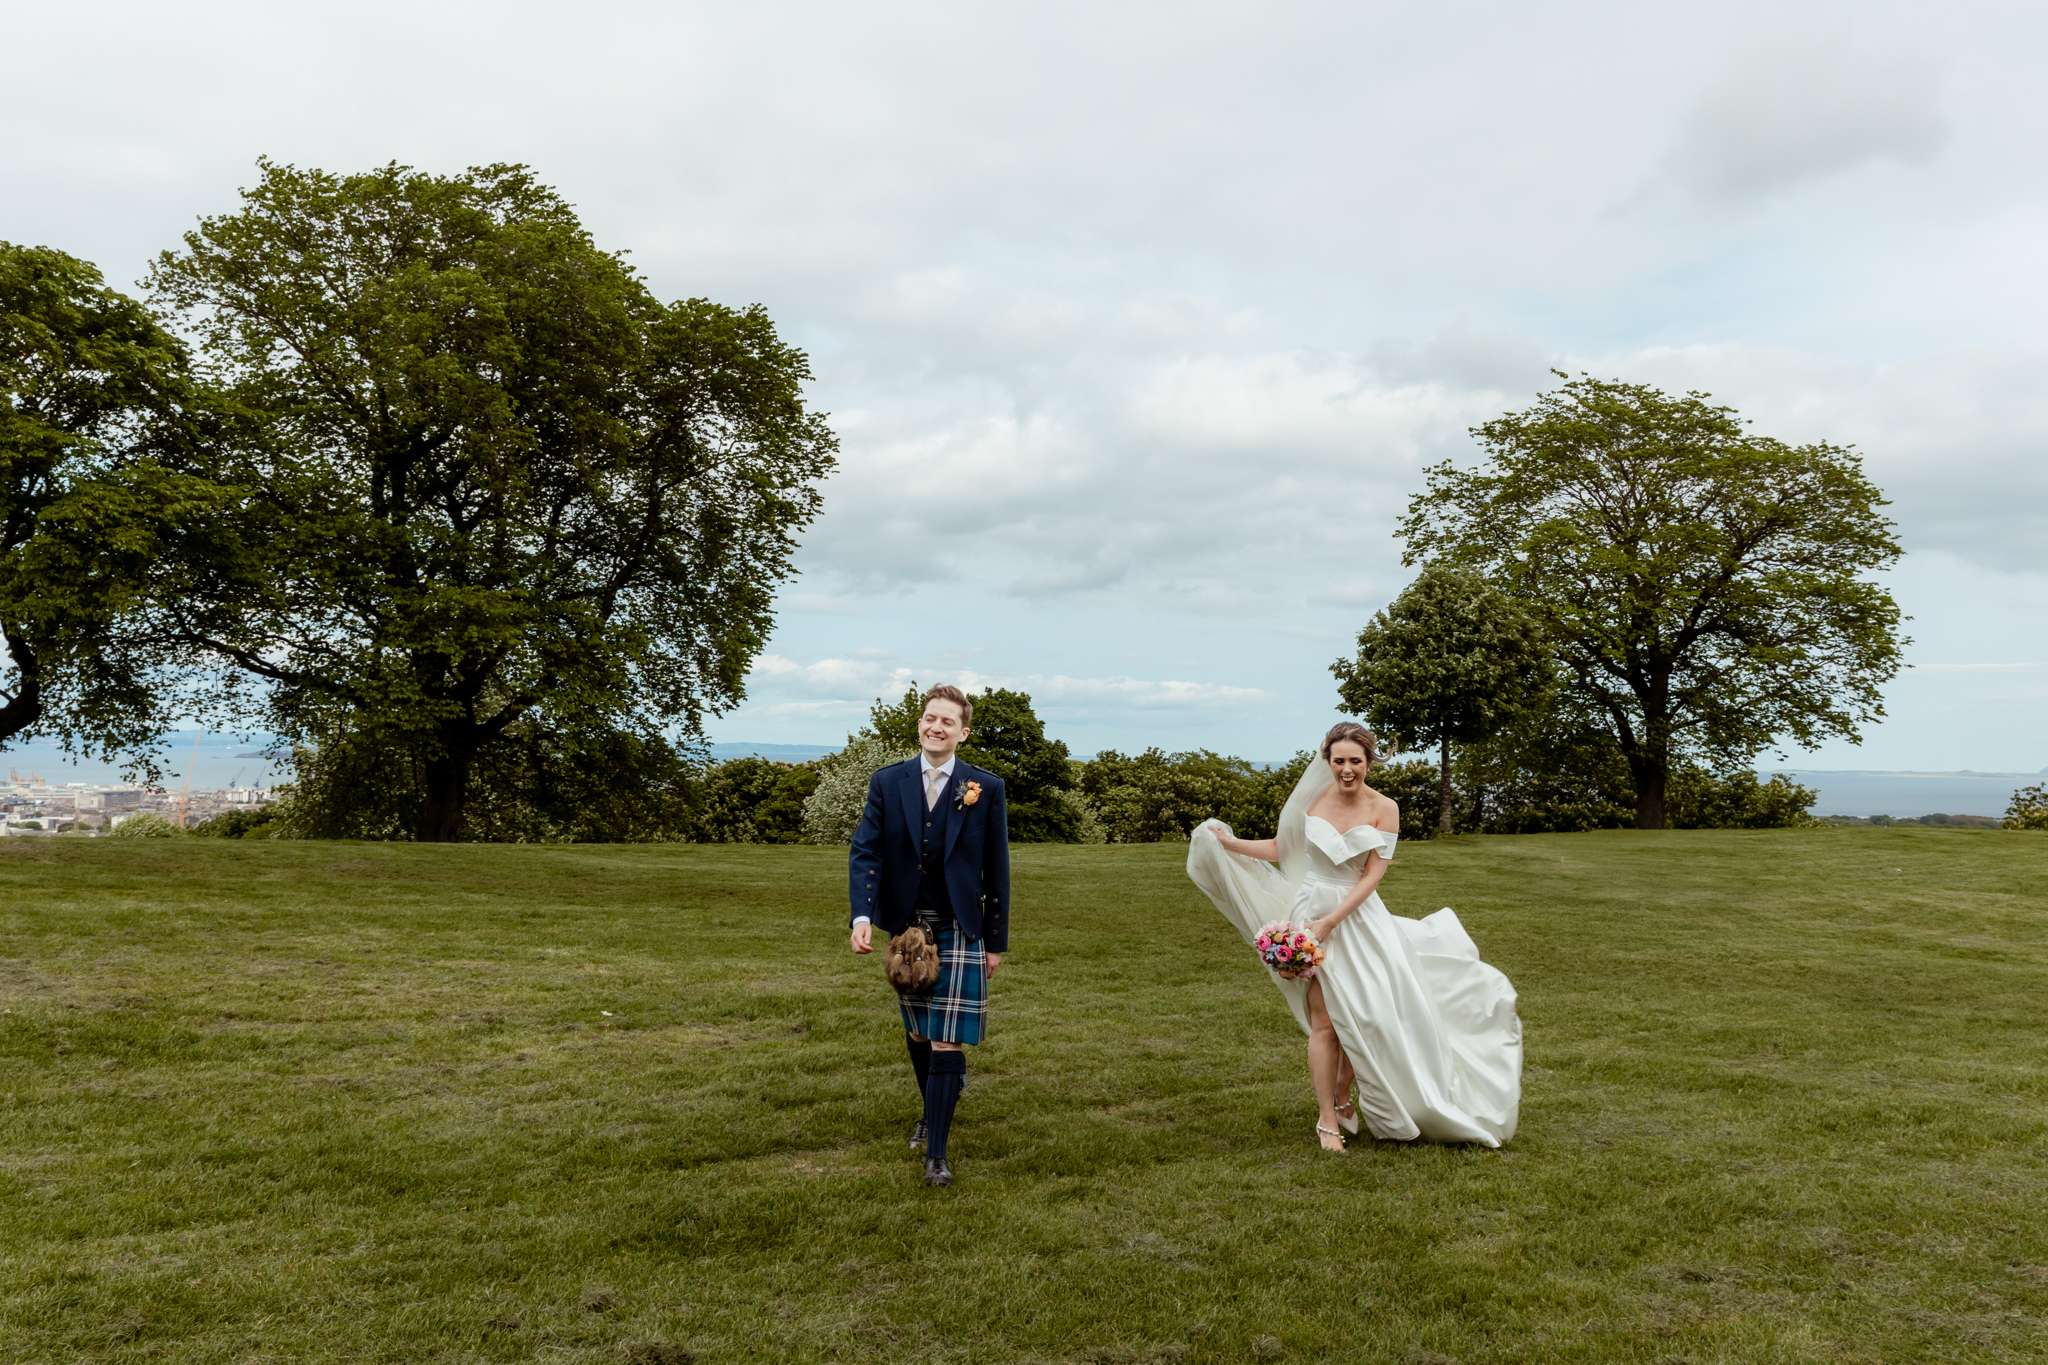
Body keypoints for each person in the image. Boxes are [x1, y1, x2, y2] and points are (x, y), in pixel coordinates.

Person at [1187, 721, 1520, 1149]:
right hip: (1309, 914)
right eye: (1339, 760)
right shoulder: (1310, 801)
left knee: (1368, 1017)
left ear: (1369, 762)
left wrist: (1333, 921)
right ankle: (1327, 1119)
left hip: (1359, 917)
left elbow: (1370, 877)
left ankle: (1345, 1096)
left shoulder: (1385, 808)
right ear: (1327, 761)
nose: (1347, 770)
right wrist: (1229, 845)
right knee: (1324, 1023)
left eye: (1355, 761)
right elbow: (1280, 848)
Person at [848, 684, 1011, 1186]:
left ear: (963, 731)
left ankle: (936, 1154)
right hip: (907, 928)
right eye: (928, 718)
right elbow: (866, 851)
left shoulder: (985, 787)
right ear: (920, 724)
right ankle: (930, 1110)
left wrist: (996, 941)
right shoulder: (888, 781)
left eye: (946, 721)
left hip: (962, 926)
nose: (935, 727)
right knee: (919, 1031)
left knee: (946, 1040)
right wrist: (862, 916)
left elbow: (996, 867)